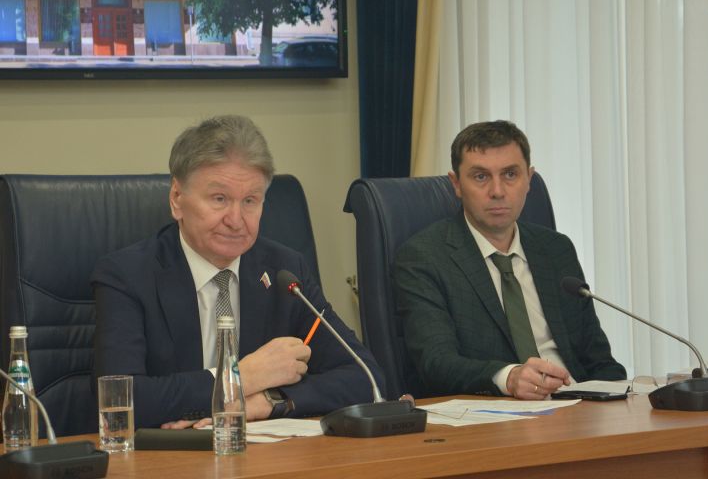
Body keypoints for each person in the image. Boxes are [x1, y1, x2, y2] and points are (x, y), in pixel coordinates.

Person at [93, 115, 384, 428]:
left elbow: (366, 377)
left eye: (250, 201)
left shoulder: (285, 272)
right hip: (167, 452)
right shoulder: (127, 276)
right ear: (177, 199)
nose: (235, 220)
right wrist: (242, 377)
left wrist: (269, 401)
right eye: (219, 199)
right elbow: (120, 399)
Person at [393, 120, 625, 400]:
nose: (498, 191)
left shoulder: (556, 249)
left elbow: (600, 361)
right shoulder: (424, 258)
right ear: (456, 184)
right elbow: (437, 363)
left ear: (529, 179)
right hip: (497, 412)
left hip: (578, 405)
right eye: (481, 176)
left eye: (510, 174)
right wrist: (508, 378)